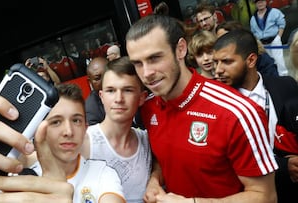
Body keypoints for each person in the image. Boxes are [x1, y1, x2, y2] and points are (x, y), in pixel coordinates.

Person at [125, 14, 277, 202]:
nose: (146, 73)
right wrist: (155, 180)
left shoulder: (237, 113)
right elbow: (166, 158)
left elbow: (266, 196)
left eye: (155, 58)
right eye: (138, 64)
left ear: (180, 49)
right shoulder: (149, 107)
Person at [0, 84, 126, 203]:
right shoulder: (14, 177)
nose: (68, 131)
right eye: (56, 121)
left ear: (86, 126)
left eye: (76, 120)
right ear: (39, 128)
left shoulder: (103, 173)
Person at [213, 28, 298, 203]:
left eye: (227, 62)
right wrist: (283, 167)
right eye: (216, 62)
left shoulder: (286, 86)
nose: (218, 70)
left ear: (251, 60)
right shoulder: (215, 101)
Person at [81, 56, 152, 203]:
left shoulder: (147, 141)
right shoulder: (84, 142)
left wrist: (156, 178)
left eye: (127, 90)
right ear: (101, 96)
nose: (118, 98)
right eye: (111, 90)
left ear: (141, 98)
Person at [250, 0, 288, 76]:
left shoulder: (274, 12)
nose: (260, 4)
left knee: (279, 61)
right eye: (258, 2)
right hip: (263, 43)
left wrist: (278, 37)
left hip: (274, 40)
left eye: (262, 1)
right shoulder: (253, 18)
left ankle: (284, 77)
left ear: (265, 2)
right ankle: (274, 77)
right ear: (255, 4)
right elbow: (253, 32)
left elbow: (282, 24)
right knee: (269, 61)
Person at [85, 57, 108, 125]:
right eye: (97, 78)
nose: (104, 80)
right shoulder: (91, 110)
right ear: (90, 82)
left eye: (106, 74)